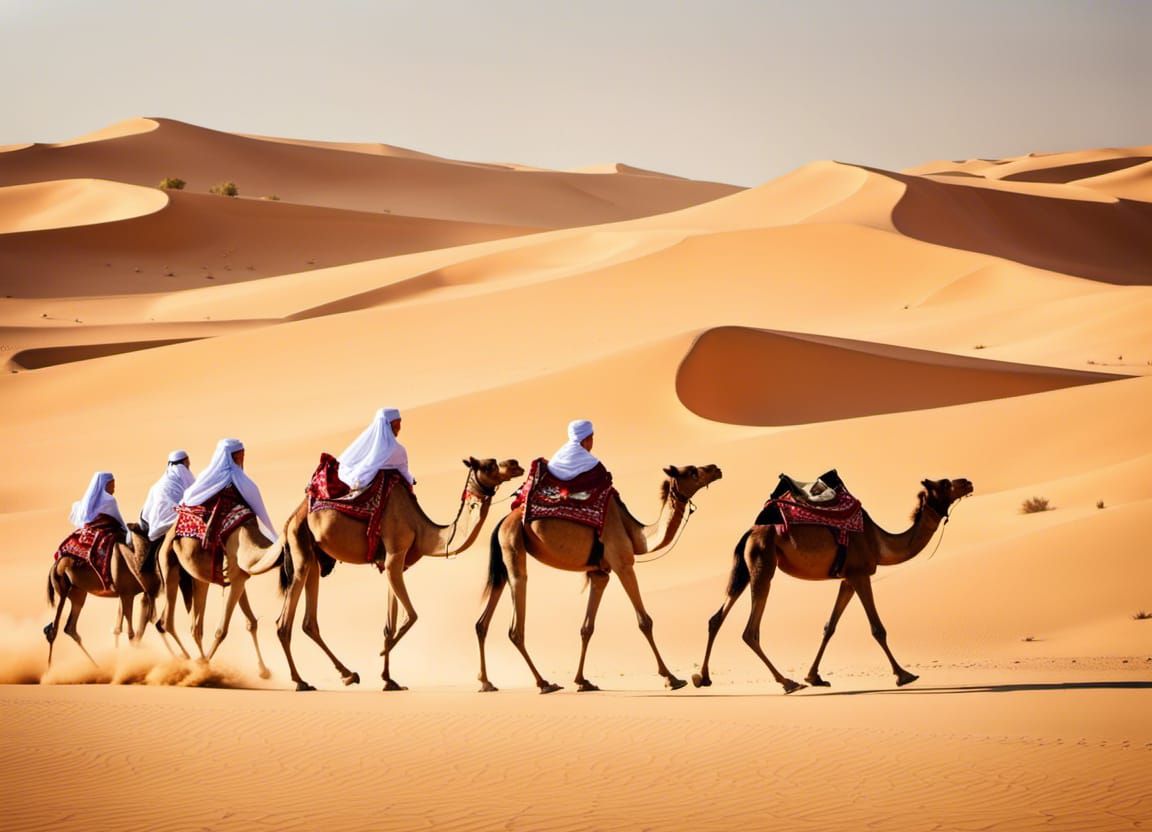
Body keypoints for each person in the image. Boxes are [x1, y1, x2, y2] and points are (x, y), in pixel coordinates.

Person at [179, 438, 276, 540]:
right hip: (211, 513)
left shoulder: (237, 477)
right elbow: (193, 496)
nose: (241, 458)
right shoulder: (215, 476)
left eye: (242, 454)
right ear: (228, 456)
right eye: (238, 455)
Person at [336, 407, 415, 490]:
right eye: (396, 423)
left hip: (362, 480)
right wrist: (411, 480)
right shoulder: (398, 449)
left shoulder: (367, 446)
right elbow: (403, 470)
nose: (399, 427)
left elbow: (365, 466)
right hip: (378, 482)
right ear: (388, 424)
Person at [139, 450, 196, 541]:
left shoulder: (157, 484)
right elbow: (195, 497)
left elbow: (146, 512)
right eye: (187, 465)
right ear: (185, 462)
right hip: (177, 521)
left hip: (155, 525)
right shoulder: (185, 477)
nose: (188, 468)